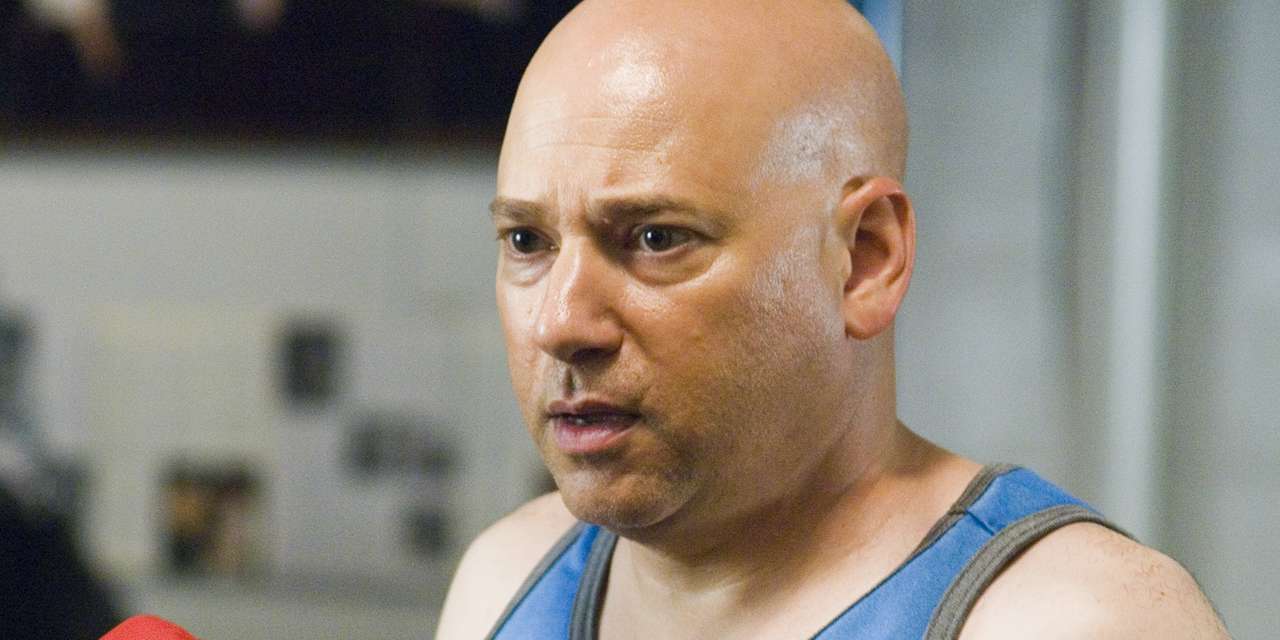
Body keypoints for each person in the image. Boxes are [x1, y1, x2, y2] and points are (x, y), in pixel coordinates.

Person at [436, 0, 1229, 638]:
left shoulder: (1066, 622)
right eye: (527, 241)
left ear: (865, 259)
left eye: (655, 239)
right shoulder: (506, 583)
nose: (561, 324)